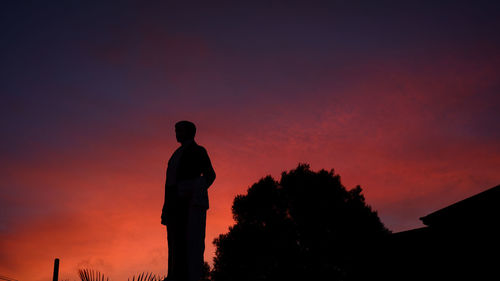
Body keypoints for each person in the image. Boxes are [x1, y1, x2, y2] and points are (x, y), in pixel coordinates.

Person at [161, 120, 216, 281]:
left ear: (189, 132)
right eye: (176, 130)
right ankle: (174, 275)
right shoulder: (175, 154)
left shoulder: (198, 151)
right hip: (174, 205)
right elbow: (169, 184)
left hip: (189, 204)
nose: (177, 133)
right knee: (174, 244)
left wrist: (193, 188)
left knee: (190, 243)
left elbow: (210, 176)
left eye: (180, 130)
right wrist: (166, 206)